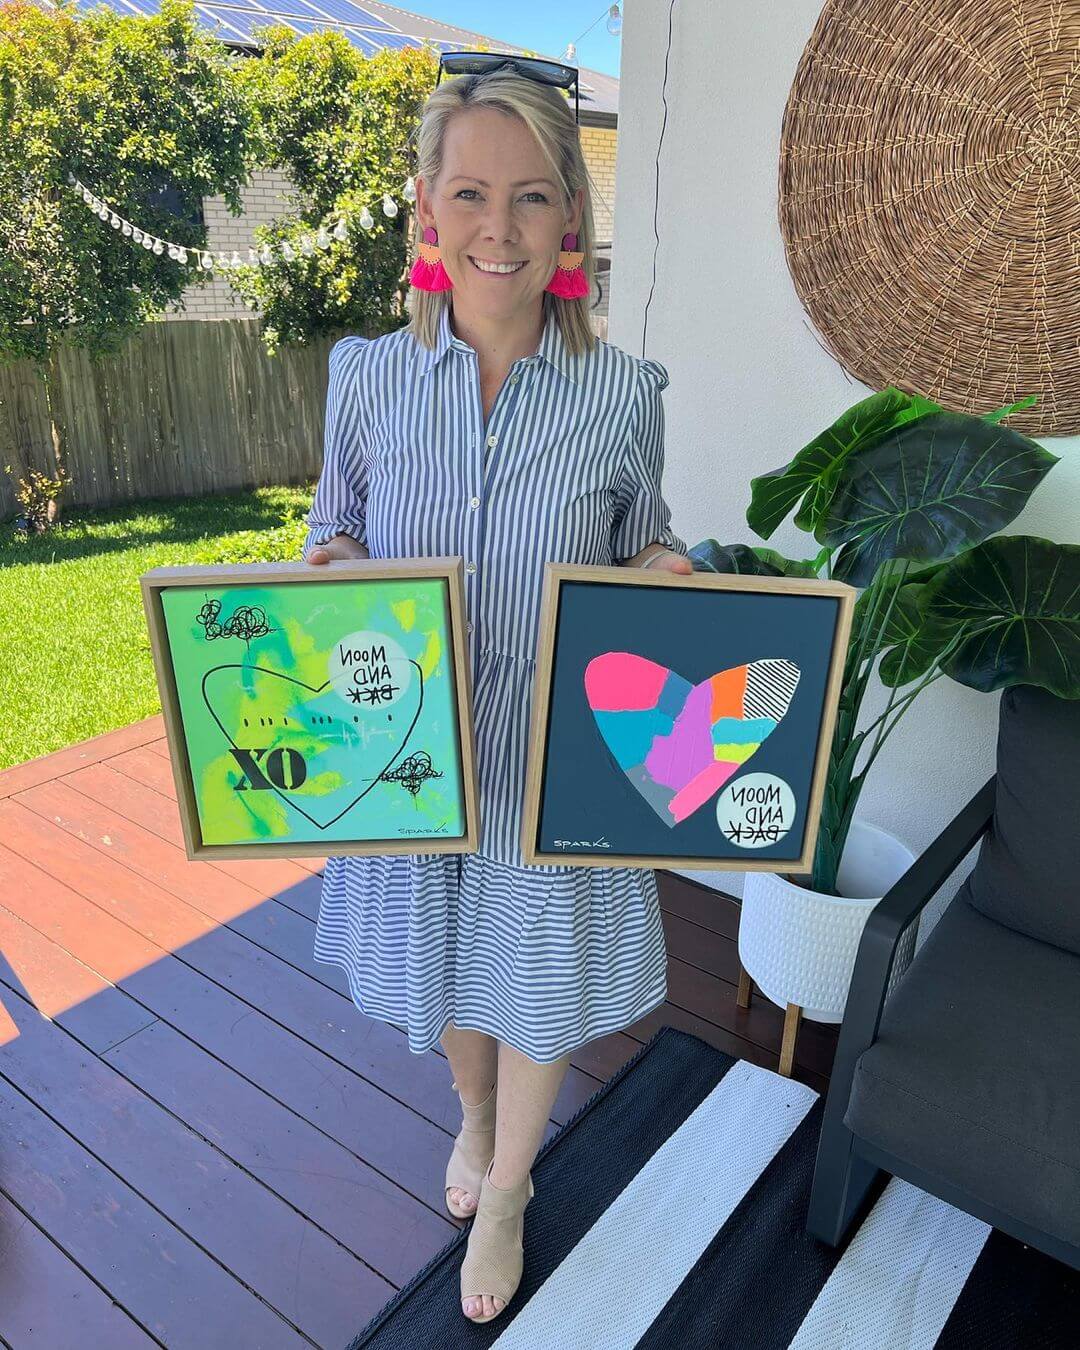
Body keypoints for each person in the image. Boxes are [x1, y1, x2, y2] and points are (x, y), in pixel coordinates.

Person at [302, 60, 692, 1326]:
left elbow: (647, 542)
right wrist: (342, 574)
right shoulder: (364, 377)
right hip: (415, 744)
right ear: (427, 209)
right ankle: (472, 1117)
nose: (500, 227)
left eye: (532, 197)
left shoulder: (623, 396)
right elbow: (336, 532)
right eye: (470, 193)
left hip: (550, 747)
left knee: (530, 978)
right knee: (447, 972)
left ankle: (513, 1185)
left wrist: (661, 571)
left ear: (570, 218)